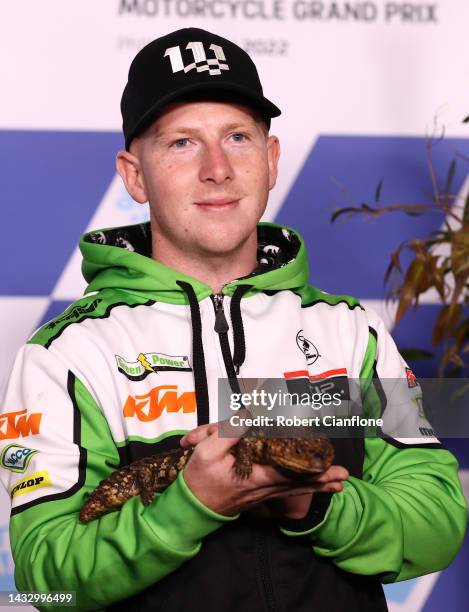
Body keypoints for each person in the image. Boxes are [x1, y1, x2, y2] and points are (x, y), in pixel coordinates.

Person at [0, 27, 466, 612]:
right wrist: (191, 502)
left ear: (271, 161)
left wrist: (311, 506)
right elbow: (47, 581)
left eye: (238, 137)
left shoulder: (352, 333)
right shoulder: (67, 354)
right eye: (181, 143)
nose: (217, 168)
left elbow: (438, 521)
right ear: (134, 175)